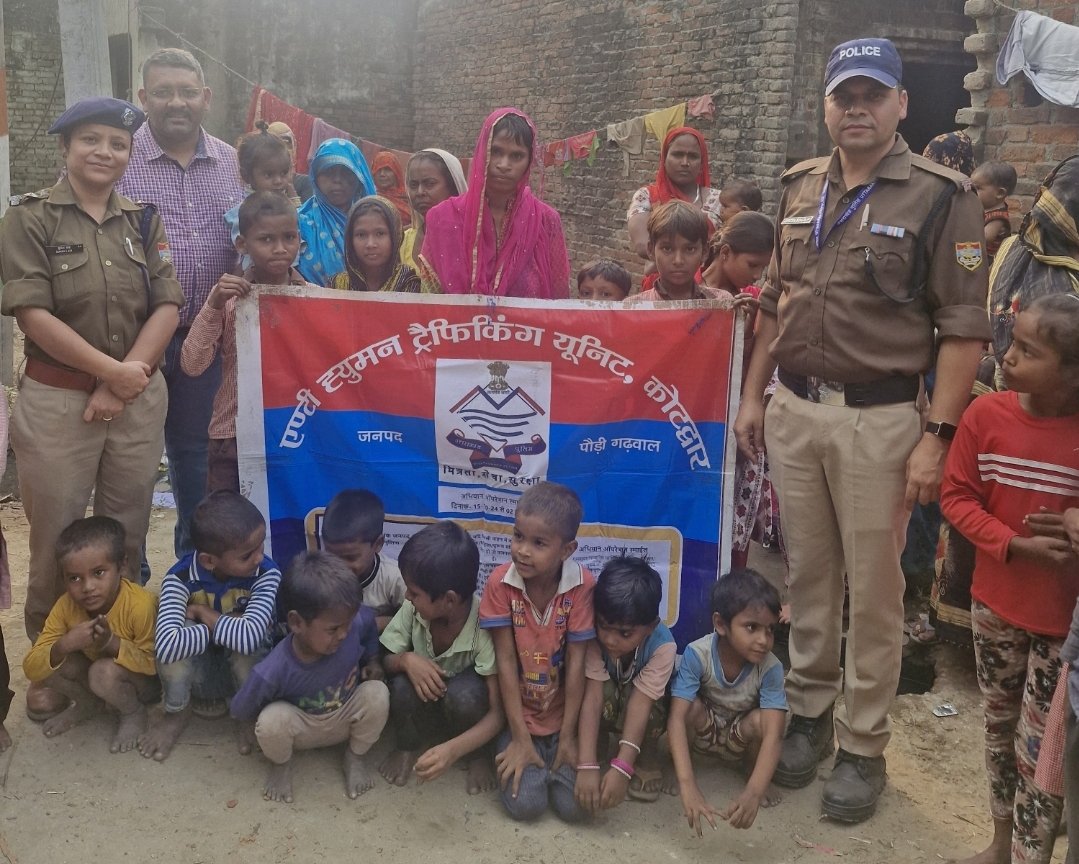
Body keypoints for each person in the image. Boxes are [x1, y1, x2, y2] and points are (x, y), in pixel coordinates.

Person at [733, 37, 990, 822]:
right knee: (806, 575)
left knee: (873, 593)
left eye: (872, 95)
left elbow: (962, 328)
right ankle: (808, 711)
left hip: (879, 421)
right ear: (825, 105)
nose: (855, 108)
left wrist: (935, 437)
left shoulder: (941, 196)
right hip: (795, 409)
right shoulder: (799, 185)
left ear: (900, 105)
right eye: (843, 95)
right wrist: (753, 396)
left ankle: (864, 745)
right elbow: (775, 301)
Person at [0, 97, 182, 719]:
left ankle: (123, 660)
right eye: (91, 141)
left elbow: (166, 305)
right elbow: (33, 314)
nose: (105, 152)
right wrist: (109, 375)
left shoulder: (144, 221)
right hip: (58, 402)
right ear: (65, 148)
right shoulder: (30, 219)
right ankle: (52, 665)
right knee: (56, 539)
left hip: (136, 399)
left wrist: (125, 382)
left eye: (118, 143)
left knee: (124, 534)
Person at [939, 293, 1079, 864]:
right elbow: (956, 496)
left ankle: (1030, 855)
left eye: (1028, 350)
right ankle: (1001, 843)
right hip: (994, 606)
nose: (1008, 356)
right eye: (1012, 341)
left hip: (1063, 629)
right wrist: (1013, 545)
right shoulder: (986, 415)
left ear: (1071, 371)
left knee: (1041, 753)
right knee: (999, 732)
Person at [116, 48, 244, 562]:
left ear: (205, 99)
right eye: (163, 91)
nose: (177, 102)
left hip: (206, 342)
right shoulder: (119, 157)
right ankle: (129, 581)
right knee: (132, 464)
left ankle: (196, 574)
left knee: (196, 461)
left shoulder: (232, 163)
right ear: (143, 97)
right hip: (132, 339)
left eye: (187, 92)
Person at [230, 551, 389, 804]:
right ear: (296, 623)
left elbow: (368, 625)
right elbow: (242, 706)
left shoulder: (353, 625)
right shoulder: (274, 668)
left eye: (346, 624)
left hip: (345, 718)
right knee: (272, 721)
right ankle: (281, 765)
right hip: (301, 730)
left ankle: (356, 756)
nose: (343, 634)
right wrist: (248, 727)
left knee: (377, 694)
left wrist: (372, 660)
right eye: (333, 629)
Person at [479, 482, 595, 822]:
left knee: (577, 809)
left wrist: (570, 738)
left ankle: (553, 757)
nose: (523, 551)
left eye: (538, 543)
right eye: (518, 536)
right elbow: (505, 660)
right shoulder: (501, 583)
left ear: (567, 549)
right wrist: (519, 738)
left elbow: (576, 666)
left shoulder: (582, 585)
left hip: (561, 721)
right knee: (527, 805)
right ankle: (510, 749)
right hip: (519, 719)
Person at [181, 192, 312, 494]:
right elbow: (192, 363)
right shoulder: (228, 300)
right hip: (233, 437)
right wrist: (213, 304)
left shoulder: (314, 299)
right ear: (242, 244)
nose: (280, 249)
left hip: (295, 435)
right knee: (228, 528)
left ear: (300, 240)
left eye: (289, 237)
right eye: (266, 239)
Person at [139, 491, 281, 762]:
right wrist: (223, 630)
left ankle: (246, 713)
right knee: (183, 631)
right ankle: (176, 712)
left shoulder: (267, 574)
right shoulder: (178, 580)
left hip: (244, 675)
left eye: (262, 546)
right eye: (247, 555)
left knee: (251, 639)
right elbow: (167, 648)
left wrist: (205, 614)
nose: (259, 558)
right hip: (200, 675)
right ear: (208, 561)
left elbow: (250, 640)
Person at [378, 521, 503, 794]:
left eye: (414, 592)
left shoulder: (486, 625)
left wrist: (453, 750)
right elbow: (386, 660)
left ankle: (477, 756)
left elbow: (498, 714)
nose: (407, 598)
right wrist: (406, 660)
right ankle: (407, 745)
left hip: (463, 712)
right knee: (399, 685)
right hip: (425, 707)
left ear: (448, 600)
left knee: (466, 695)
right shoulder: (413, 611)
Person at [22, 517, 158, 753]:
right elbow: (32, 669)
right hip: (99, 679)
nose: (87, 587)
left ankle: (133, 712)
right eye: (74, 578)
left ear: (122, 566)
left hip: (142, 685)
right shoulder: (65, 606)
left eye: (98, 573)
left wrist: (111, 643)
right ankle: (88, 703)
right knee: (50, 660)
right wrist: (62, 646)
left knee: (101, 671)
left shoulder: (140, 605)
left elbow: (155, 665)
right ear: (63, 578)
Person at [667, 569, 786, 835]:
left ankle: (751, 772)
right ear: (721, 624)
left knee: (763, 721)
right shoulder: (698, 654)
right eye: (752, 627)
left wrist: (754, 792)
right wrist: (688, 785)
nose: (763, 640)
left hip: (739, 737)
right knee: (689, 708)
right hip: (703, 731)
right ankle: (679, 770)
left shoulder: (771, 668)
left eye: (770, 630)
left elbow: (775, 735)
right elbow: (676, 718)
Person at [702, 213, 786, 577]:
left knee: (732, 512)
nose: (757, 276)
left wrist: (748, 331)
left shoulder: (754, 301)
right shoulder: (685, 291)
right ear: (724, 253)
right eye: (752, 265)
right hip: (694, 417)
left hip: (734, 417)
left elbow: (758, 367)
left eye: (764, 267)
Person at [421, 108, 570, 299]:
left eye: (516, 156)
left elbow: (559, 300)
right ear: (483, 151)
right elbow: (428, 303)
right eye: (496, 151)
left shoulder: (546, 221)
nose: (504, 164)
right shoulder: (442, 218)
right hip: (456, 329)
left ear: (529, 161)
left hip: (528, 329)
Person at [575, 556, 676, 812]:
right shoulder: (590, 636)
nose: (610, 639)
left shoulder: (663, 646)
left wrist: (622, 767)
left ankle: (647, 751)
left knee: (657, 705)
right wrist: (586, 763)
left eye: (625, 633)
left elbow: (641, 703)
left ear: (650, 627)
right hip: (606, 698)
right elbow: (593, 698)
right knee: (592, 689)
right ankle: (595, 742)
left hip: (641, 704)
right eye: (604, 626)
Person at [626, 126, 720, 271]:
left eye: (693, 156)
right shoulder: (646, 196)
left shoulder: (718, 200)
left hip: (708, 285)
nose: (685, 162)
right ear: (664, 159)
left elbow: (730, 247)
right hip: (660, 286)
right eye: (677, 154)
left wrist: (659, 260)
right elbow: (642, 245)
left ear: (702, 163)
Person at [320, 488, 406, 633]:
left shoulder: (394, 578)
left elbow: (414, 620)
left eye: (350, 557)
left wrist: (376, 624)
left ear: (378, 544)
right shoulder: (318, 577)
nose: (340, 566)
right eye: (332, 556)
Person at [297, 138, 376, 287]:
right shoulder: (299, 221)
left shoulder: (374, 223)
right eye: (328, 172)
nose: (337, 180)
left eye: (346, 172)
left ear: (359, 177)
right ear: (315, 176)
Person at [223, 124, 297, 272]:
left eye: (283, 173)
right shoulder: (242, 213)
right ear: (246, 175)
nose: (278, 181)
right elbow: (247, 255)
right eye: (269, 174)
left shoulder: (287, 207)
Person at [624, 201, 723, 303]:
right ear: (651, 250)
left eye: (690, 249)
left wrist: (738, 315)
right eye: (667, 249)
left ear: (704, 252)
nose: (678, 261)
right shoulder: (634, 309)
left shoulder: (721, 302)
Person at [329, 196, 421, 293]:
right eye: (361, 235)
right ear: (350, 240)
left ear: (395, 236)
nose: (370, 244)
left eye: (380, 233)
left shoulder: (407, 282)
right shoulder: (337, 285)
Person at [402, 148, 467, 270]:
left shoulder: (469, 240)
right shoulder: (402, 241)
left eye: (430, 184)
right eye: (413, 185)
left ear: (451, 187)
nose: (420, 192)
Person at [971, 161, 1017, 261]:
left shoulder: (998, 218)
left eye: (977, 188)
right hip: (976, 254)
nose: (972, 192)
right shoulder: (982, 208)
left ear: (1000, 193)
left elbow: (984, 238)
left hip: (988, 261)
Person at [266, 121, 313, 201]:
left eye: (287, 143)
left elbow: (308, 212)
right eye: (275, 144)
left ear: (294, 145)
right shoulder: (261, 180)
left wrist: (291, 191)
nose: (283, 149)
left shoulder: (305, 183)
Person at [371, 151, 412, 228]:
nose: (382, 174)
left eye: (387, 169)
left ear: (396, 172)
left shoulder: (410, 197)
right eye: (378, 170)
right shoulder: (370, 198)